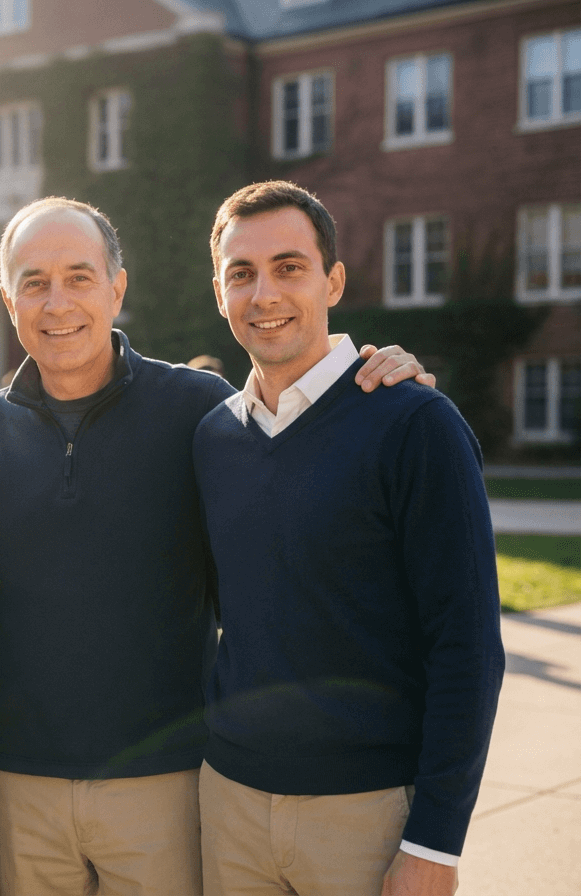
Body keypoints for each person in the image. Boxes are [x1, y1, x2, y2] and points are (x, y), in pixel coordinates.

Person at [0, 196, 435, 896]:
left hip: (166, 779)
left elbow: (296, 429)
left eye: (80, 277)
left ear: (118, 287)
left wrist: (388, 383)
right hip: (18, 782)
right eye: (34, 282)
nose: (57, 302)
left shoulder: (198, 411)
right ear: (8, 300)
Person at [194, 181, 503, 896]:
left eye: (289, 267)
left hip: (366, 817)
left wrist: (436, 843)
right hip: (231, 804)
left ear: (333, 279)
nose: (264, 293)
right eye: (241, 273)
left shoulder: (414, 423)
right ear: (219, 292)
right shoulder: (212, 436)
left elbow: (469, 647)